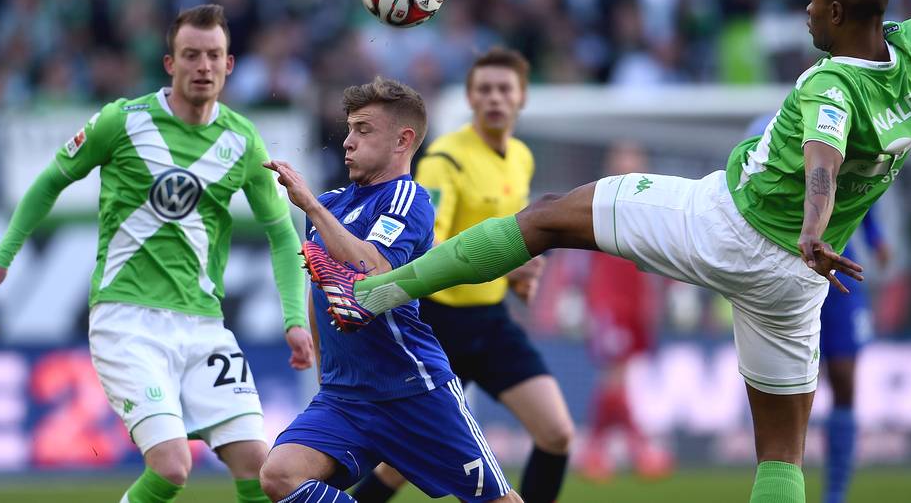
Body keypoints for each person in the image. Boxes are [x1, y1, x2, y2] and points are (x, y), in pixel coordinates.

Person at [303, 0, 911, 501]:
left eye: (817, 5)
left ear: (843, 16)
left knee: (549, 215)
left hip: (729, 225)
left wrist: (814, 223)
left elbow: (824, 153)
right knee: (781, 454)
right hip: (797, 281)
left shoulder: (831, 85)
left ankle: (378, 291)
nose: (808, 13)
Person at [0, 4, 315, 503]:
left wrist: (294, 319)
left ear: (230, 64)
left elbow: (282, 233)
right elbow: (49, 181)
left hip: (203, 326)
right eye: (191, 55)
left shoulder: (242, 140)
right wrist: (3, 256)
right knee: (172, 466)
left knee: (258, 466)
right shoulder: (122, 121)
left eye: (213, 55)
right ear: (170, 63)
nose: (203, 66)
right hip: (126, 321)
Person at [259, 77, 522, 503]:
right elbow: (319, 288)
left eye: (363, 130)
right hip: (346, 398)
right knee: (280, 475)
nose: (348, 141)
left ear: (403, 140)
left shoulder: (408, 199)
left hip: (412, 391)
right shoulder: (332, 202)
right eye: (349, 129)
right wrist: (326, 373)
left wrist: (310, 205)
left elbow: (374, 268)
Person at [351, 48, 573, 503]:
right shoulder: (445, 160)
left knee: (557, 434)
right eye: (484, 89)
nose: (495, 98)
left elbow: (508, 237)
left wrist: (517, 276)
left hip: (491, 322)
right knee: (399, 465)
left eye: (504, 89)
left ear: (522, 97)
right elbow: (428, 248)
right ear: (470, 98)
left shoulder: (521, 157)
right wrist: (505, 265)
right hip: (440, 324)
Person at [746, 115, 890, 503]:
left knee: (843, 380)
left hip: (837, 274)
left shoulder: (832, 132)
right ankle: (777, 482)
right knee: (780, 396)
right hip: (781, 273)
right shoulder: (763, 131)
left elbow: (859, 191)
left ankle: (835, 495)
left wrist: (876, 238)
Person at [576, 141, 671, 481]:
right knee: (614, 375)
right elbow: (580, 258)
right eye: (623, 159)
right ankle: (635, 446)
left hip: (636, 301)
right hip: (608, 301)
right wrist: (580, 300)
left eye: (634, 159)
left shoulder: (651, 206)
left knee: (619, 376)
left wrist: (657, 297)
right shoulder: (597, 202)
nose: (628, 164)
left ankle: (597, 448)